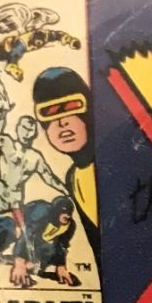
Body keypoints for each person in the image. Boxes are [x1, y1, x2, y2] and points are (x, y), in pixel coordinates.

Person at [0, 108, 68, 285]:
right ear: (18, 128)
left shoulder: (35, 157)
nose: (27, 132)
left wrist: (66, 191)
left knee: (23, 230)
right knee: (5, 224)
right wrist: (1, 112)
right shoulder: (7, 143)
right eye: (24, 128)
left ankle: (21, 259)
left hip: (17, 198)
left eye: (31, 130)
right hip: (0, 193)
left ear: (34, 134)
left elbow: (49, 177)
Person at [33, 65, 98, 260]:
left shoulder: (113, 161)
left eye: (71, 107)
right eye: (48, 112)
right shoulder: (73, 177)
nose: (61, 122)